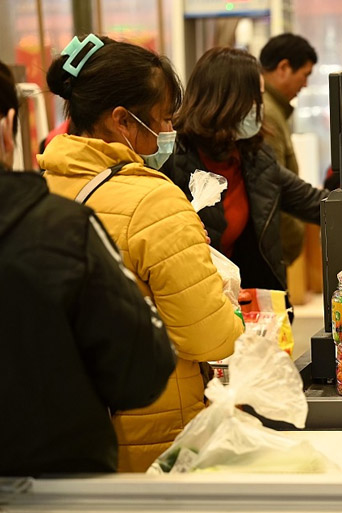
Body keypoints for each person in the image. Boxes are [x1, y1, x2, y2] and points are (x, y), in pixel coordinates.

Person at [38, 34, 244, 472]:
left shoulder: (38, 188)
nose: (169, 133)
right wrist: (230, 311)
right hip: (152, 436)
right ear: (122, 121)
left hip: (68, 432)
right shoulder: (152, 201)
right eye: (164, 119)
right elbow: (209, 337)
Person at [0, 59, 175, 475]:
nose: (170, 130)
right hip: (55, 482)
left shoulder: (54, 185)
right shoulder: (62, 229)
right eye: (165, 118)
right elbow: (142, 372)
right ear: (7, 129)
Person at [164, 47, 328, 294]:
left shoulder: (254, 156)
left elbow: (310, 201)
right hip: (197, 297)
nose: (260, 108)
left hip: (249, 297)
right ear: (228, 100)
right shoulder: (172, 161)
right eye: (255, 99)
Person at [259, 33, 318, 267]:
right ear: (283, 67)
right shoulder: (268, 114)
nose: (305, 85)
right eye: (305, 75)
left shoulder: (274, 109)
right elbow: (272, 190)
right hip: (275, 254)